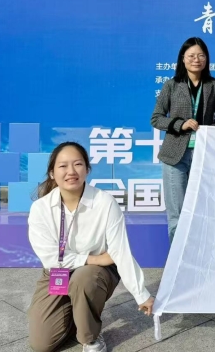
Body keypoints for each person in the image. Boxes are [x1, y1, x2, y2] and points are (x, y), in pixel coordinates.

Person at [27, 142, 154, 352]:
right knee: (42, 344)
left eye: (78, 164)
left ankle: (90, 336)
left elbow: (120, 251)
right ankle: (77, 314)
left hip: (96, 273)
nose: (71, 171)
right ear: (52, 173)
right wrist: (94, 258)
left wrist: (141, 294)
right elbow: (50, 258)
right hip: (59, 272)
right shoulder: (41, 208)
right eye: (63, 166)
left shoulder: (104, 202)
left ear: (87, 169)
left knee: (83, 278)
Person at [151, 37, 215, 243]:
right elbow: (156, 118)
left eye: (201, 55)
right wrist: (179, 124)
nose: (196, 60)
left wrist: (210, 128)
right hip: (175, 156)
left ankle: (198, 257)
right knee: (177, 214)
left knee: (202, 211)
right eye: (191, 56)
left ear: (206, 59)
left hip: (204, 156)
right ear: (182, 59)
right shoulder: (172, 85)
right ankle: (177, 260)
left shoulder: (214, 86)